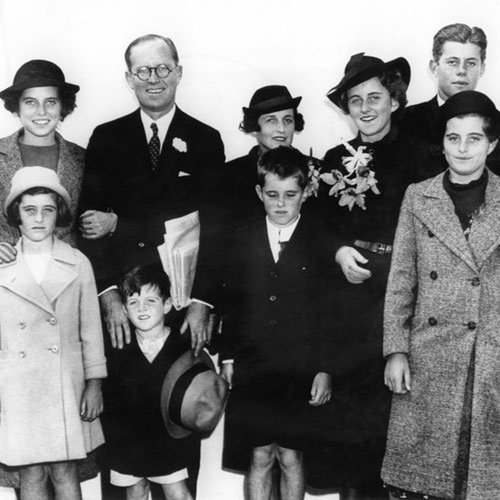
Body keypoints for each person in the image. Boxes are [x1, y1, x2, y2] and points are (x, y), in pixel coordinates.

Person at [316, 53, 441, 499]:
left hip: (404, 303)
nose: (365, 108)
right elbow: (317, 227)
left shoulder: (423, 158)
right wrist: (338, 250)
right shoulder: (335, 159)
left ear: (394, 100)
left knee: (400, 425)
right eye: (355, 101)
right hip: (350, 307)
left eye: (374, 97)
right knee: (353, 431)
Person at [382, 90, 500, 500]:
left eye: (474, 138)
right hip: (429, 354)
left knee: (482, 479)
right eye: (453, 138)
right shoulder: (419, 196)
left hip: (490, 354)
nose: (463, 148)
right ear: (442, 143)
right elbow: (401, 278)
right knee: (423, 481)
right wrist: (396, 350)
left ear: (492, 144)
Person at [77, 34, 225, 354]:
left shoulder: (206, 140)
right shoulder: (106, 138)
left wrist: (202, 302)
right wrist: (108, 296)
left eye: (163, 68)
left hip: (181, 299)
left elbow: (216, 229)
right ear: (129, 78)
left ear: (178, 73)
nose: (153, 79)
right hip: (124, 301)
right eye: (143, 71)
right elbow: (88, 226)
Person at [220, 146, 333, 500]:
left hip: (299, 368)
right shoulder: (242, 237)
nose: (281, 204)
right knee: (259, 455)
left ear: (305, 192)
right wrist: (228, 357)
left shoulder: (320, 239)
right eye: (272, 195)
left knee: (290, 456)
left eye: (290, 195)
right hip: (253, 366)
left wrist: (324, 368)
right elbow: (232, 303)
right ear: (259, 193)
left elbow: (329, 311)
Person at [0, 166, 106, 499]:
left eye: (47, 210)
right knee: (30, 473)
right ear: (16, 214)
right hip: (18, 385)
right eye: (29, 210)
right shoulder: (3, 264)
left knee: (64, 470)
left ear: (58, 214)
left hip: (65, 382)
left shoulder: (77, 262)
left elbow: (91, 330)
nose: (38, 218)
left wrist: (94, 384)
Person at [101, 264, 199, 500]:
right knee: (135, 493)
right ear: (124, 309)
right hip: (129, 442)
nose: (142, 308)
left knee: (179, 494)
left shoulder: (183, 345)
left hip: (169, 442)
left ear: (167, 305)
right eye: (133, 302)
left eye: (150, 301)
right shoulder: (118, 346)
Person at [0, 59, 84, 257]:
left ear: (63, 106)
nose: (42, 111)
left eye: (51, 102)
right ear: (17, 106)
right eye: (30, 102)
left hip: (67, 269)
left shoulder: (83, 159)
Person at [224, 85, 305, 228]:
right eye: (271, 120)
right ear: (254, 127)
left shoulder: (316, 169)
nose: (281, 129)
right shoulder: (228, 175)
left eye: (287, 120)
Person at [400, 23, 487, 147]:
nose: (462, 71)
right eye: (453, 62)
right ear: (434, 68)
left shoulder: (495, 121)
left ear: (482, 69)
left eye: (471, 63)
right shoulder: (407, 120)